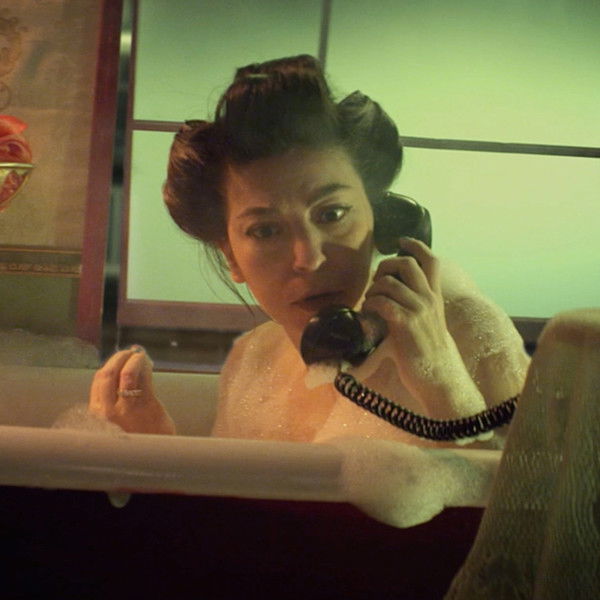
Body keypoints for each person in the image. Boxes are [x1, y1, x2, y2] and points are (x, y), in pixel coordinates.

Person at [88, 55, 530, 446]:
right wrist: (155, 450)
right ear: (230, 256)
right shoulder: (253, 359)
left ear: (382, 219)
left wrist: (440, 376)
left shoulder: (468, 329)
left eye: (332, 213)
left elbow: (531, 504)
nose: (309, 258)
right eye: (265, 231)